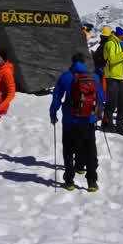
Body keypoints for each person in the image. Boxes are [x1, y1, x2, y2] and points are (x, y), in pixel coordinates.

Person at [49, 53, 104, 191]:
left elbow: (57, 96)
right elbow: (102, 98)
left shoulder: (66, 76)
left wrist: (53, 113)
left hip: (69, 120)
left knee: (68, 151)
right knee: (90, 150)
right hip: (88, 120)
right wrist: (97, 115)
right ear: (84, 62)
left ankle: (69, 181)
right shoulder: (94, 77)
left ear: (72, 62)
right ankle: (92, 182)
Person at [99, 27, 123, 133]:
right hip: (112, 77)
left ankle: (119, 126)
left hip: (119, 77)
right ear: (118, 35)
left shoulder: (118, 44)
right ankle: (107, 125)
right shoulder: (110, 44)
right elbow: (111, 60)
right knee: (112, 103)